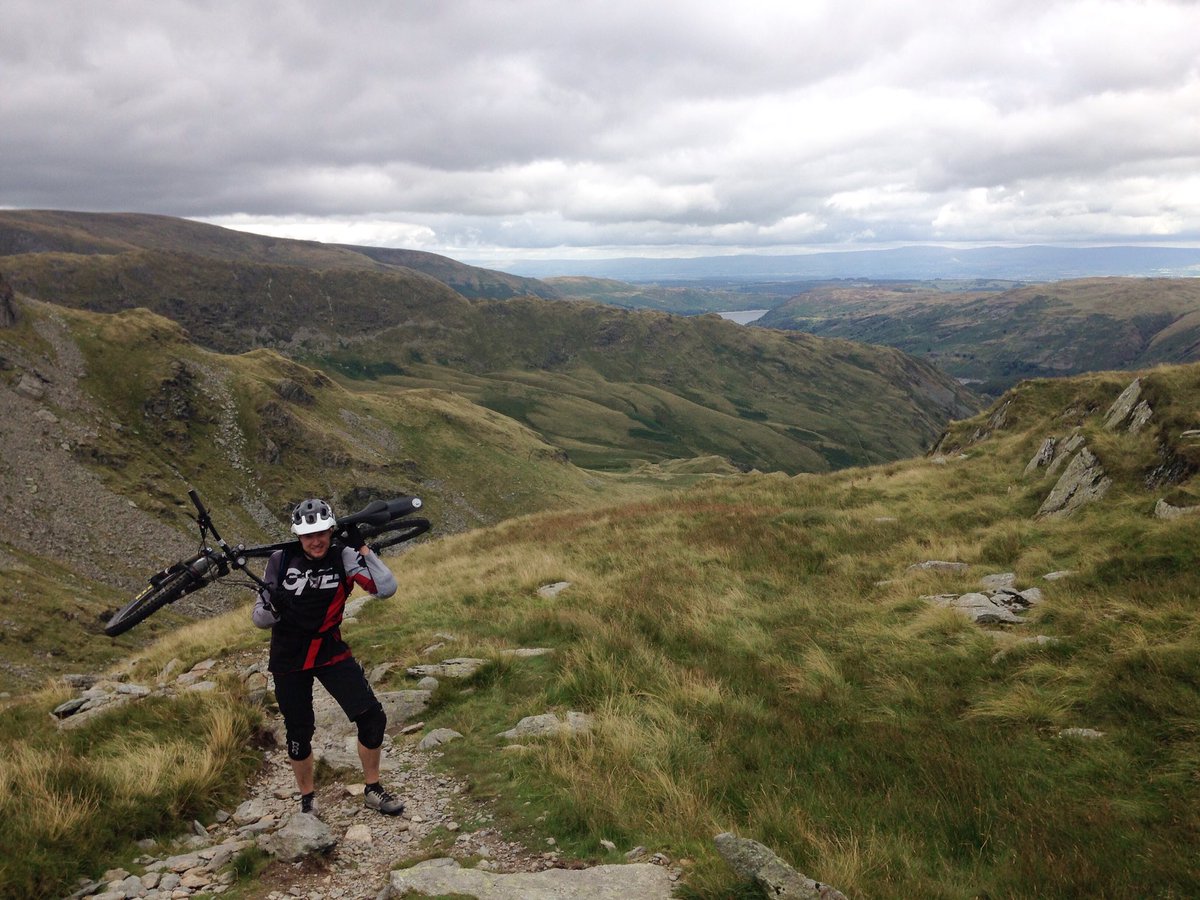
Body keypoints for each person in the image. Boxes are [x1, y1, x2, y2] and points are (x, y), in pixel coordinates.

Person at [252, 497, 404, 817]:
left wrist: (362, 548)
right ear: (298, 536)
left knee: (372, 717)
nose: (316, 540)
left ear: (332, 530)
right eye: (308, 535)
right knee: (299, 733)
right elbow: (259, 617)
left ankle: (373, 789)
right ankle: (308, 799)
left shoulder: (343, 555)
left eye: (322, 532)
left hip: (330, 650)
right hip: (288, 657)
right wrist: (274, 607)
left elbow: (386, 588)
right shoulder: (280, 560)